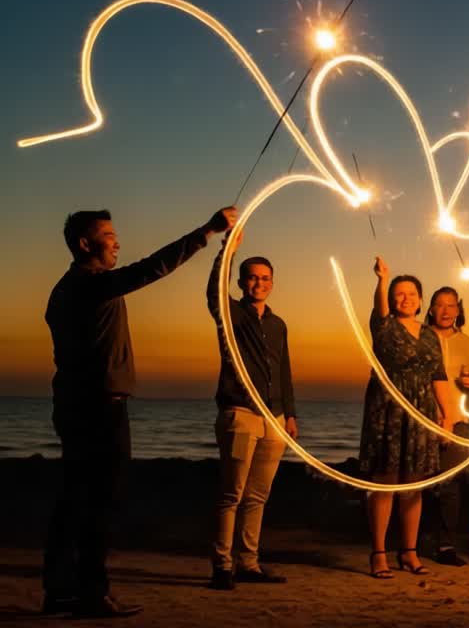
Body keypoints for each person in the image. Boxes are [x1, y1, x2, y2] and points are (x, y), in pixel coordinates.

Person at [43, 206, 236, 618]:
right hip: (97, 409)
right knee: (98, 502)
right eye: (108, 235)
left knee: (75, 499)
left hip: (81, 405)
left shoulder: (69, 288)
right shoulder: (87, 285)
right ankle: (91, 593)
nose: (117, 241)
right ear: (84, 244)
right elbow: (150, 269)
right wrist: (206, 231)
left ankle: (59, 589)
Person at [206, 230, 297, 590]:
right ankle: (222, 565)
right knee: (232, 494)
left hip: (273, 417)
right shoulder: (231, 314)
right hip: (240, 412)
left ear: (272, 283)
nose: (259, 283)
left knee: (258, 496)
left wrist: (290, 414)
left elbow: (284, 371)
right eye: (253, 277)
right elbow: (213, 291)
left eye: (265, 278)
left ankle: (249, 563)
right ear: (242, 281)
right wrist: (226, 253)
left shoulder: (278, 325)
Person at [359, 258, 454, 579]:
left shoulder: (430, 335)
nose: (405, 298)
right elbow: (379, 305)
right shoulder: (383, 325)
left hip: (422, 410)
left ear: (420, 298)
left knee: (414, 485)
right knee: (384, 483)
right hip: (388, 408)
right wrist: (382, 280)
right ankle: (378, 553)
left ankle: (409, 553)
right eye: (399, 294)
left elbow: (438, 375)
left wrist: (448, 417)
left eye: (411, 293)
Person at [422, 286, 469, 567]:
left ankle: (446, 545)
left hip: (457, 421)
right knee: (416, 482)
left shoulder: (468, 343)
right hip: (421, 418)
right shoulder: (419, 337)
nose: (446, 311)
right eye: (440, 305)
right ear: (431, 308)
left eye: (451, 305)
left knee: (451, 485)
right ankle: (413, 543)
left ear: (459, 310)